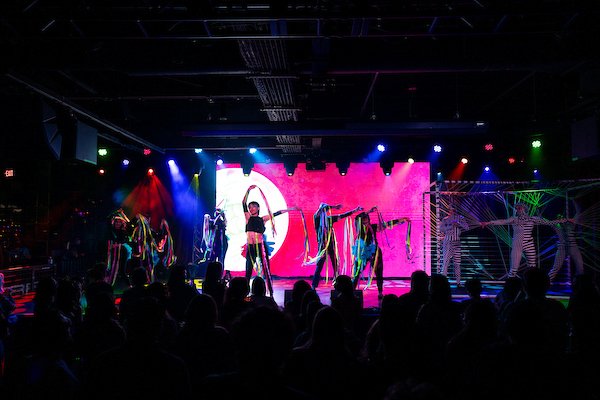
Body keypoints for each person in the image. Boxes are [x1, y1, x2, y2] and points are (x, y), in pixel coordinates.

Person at [243, 185, 296, 297]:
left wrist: (291, 209)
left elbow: (277, 213)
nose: (251, 209)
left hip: (261, 246)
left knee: (266, 270)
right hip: (251, 248)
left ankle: (270, 292)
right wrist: (248, 191)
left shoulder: (263, 219)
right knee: (248, 270)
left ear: (258, 208)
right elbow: (243, 202)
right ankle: (245, 293)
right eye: (250, 207)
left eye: (253, 207)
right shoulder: (248, 218)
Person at [481, 203, 554, 278]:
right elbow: (502, 221)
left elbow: (547, 222)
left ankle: (531, 282)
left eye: (519, 208)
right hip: (517, 244)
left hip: (529, 244)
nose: (517, 210)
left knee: (532, 266)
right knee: (514, 268)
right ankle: (510, 282)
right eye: (516, 209)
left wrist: (560, 221)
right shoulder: (514, 219)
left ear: (524, 209)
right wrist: (488, 222)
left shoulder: (532, 219)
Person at [352, 207, 410, 298]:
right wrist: (369, 211)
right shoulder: (359, 228)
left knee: (379, 272)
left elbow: (387, 224)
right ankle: (351, 291)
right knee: (357, 272)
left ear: (369, 221)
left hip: (374, 252)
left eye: (366, 222)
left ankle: (380, 292)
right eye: (363, 222)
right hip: (363, 253)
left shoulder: (373, 227)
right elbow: (357, 218)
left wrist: (401, 220)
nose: (365, 224)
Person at [308, 203, 362, 289]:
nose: (324, 211)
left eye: (325, 210)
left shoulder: (330, 219)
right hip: (322, 248)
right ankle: (314, 286)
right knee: (319, 267)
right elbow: (319, 211)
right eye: (324, 209)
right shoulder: (317, 219)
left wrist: (355, 210)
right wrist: (333, 207)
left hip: (331, 246)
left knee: (336, 265)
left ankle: (338, 284)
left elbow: (343, 215)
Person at [438, 206, 469, 286]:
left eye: (453, 210)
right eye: (450, 210)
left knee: (457, 263)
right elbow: (441, 229)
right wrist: (450, 226)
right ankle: (442, 282)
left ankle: (458, 282)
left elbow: (467, 227)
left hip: (457, 242)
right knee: (445, 262)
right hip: (448, 242)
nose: (451, 211)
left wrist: (459, 224)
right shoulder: (445, 219)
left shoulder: (460, 218)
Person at [548, 215, 584, 282]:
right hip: (562, 248)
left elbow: (577, 217)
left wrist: (572, 218)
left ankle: (579, 283)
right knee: (555, 268)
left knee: (580, 268)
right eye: (559, 217)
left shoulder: (570, 225)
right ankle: (546, 282)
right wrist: (540, 215)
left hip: (573, 247)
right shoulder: (556, 226)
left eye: (562, 217)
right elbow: (548, 222)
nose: (561, 218)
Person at [106, 208, 133, 285]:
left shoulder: (123, 231)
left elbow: (129, 224)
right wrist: (116, 212)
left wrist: (123, 215)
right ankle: (109, 284)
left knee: (121, 270)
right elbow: (108, 218)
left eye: (119, 222)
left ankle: (129, 285)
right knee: (110, 268)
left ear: (122, 223)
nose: (117, 223)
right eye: (116, 222)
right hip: (113, 251)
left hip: (121, 252)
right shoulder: (112, 230)